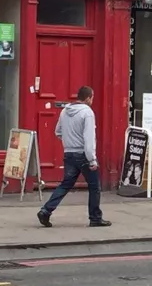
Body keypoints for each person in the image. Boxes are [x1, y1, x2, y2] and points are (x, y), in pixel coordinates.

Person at [37, 86, 111, 227]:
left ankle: (46, 211)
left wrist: (69, 141)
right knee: (94, 186)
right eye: (92, 97)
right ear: (88, 98)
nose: (92, 100)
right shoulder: (87, 113)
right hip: (83, 155)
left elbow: (58, 131)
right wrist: (92, 159)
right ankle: (95, 218)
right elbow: (89, 138)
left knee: (65, 185)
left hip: (69, 153)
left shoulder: (65, 111)